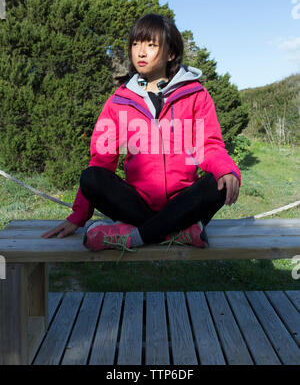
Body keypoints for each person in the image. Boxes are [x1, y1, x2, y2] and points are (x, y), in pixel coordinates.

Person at [41, 14, 241, 257]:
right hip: (137, 203)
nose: (141, 52)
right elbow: (102, 160)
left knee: (218, 182)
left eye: (151, 45)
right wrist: (78, 216)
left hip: (184, 200)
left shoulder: (195, 95)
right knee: (91, 177)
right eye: (136, 44)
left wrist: (225, 169)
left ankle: (133, 237)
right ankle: (179, 231)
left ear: (170, 53)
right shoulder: (118, 102)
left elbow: (208, 146)